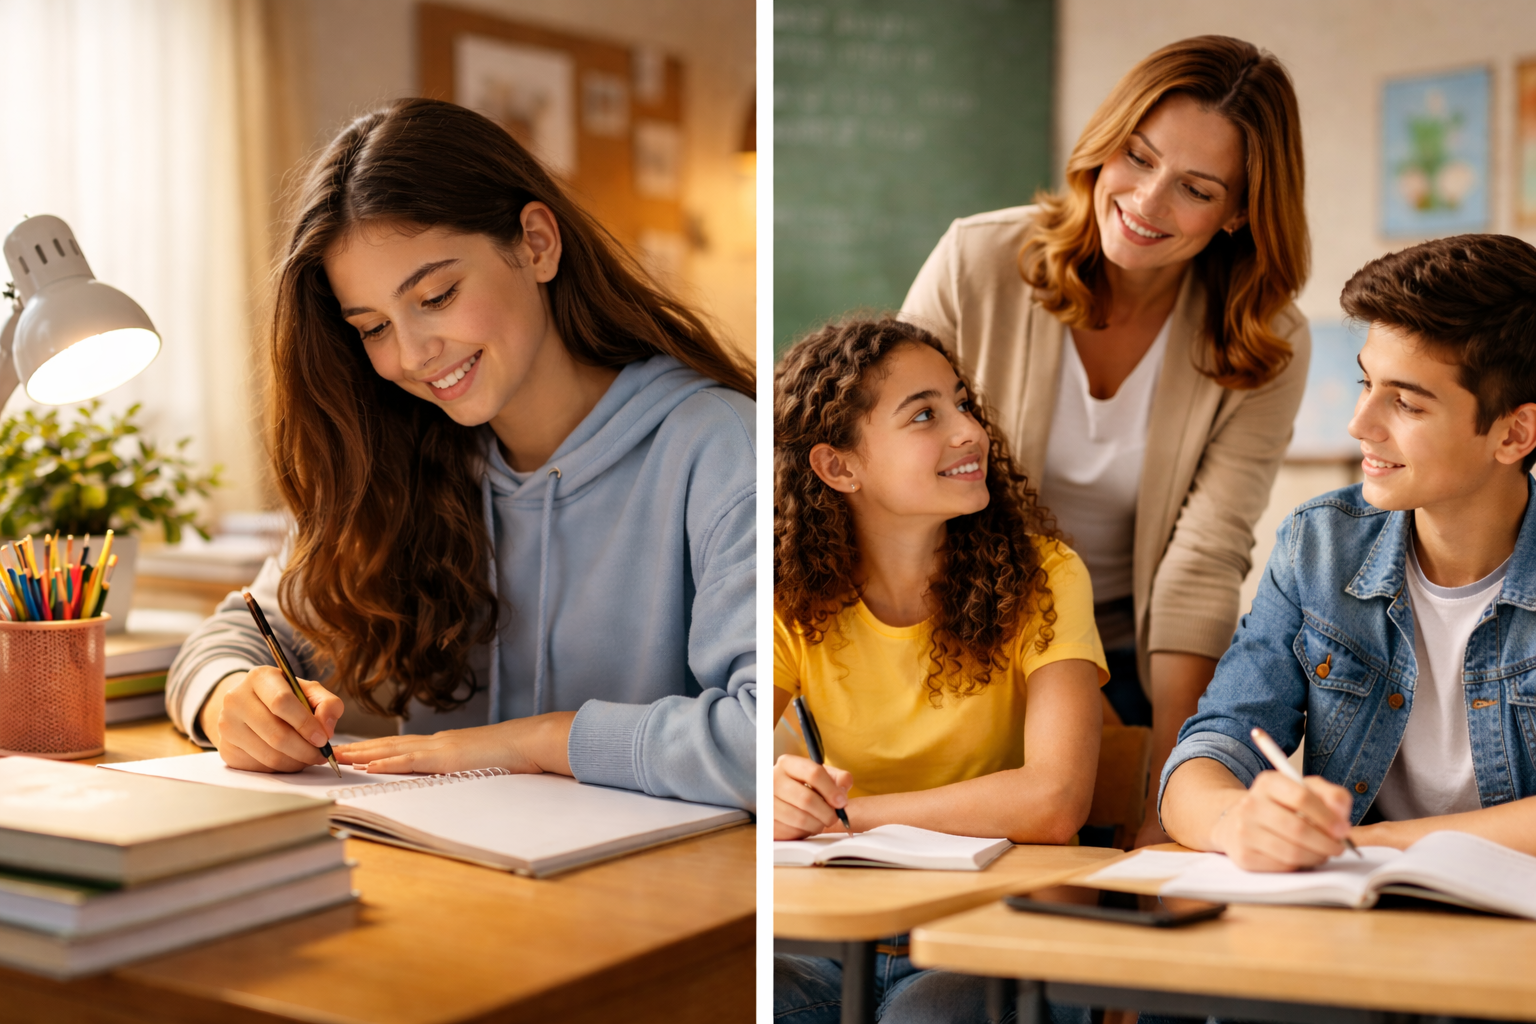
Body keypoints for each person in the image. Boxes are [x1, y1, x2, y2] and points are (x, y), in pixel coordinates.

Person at [164, 98, 756, 810]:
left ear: (537, 243)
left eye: (437, 296)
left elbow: (766, 740)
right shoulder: (397, 457)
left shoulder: (719, 448)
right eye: (374, 326)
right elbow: (234, 636)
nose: (412, 355)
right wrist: (229, 699)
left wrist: (533, 743)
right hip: (455, 886)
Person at [901, 35, 1310, 845]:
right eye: (1138, 156)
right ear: (1104, 142)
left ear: (1238, 213)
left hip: (1131, 656)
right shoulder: (977, 259)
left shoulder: (1266, 343)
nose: (1148, 202)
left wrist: (1173, 793)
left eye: (1195, 188)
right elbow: (889, 459)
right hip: (952, 623)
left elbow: (1205, 556)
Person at [1159, 234, 1536, 869]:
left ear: (1514, 433)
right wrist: (1238, 820)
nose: (1361, 423)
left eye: (1407, 402)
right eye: (1366, 383)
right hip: (1354, 918)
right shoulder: (1319, 546)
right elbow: (1212, 749)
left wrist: (1371, 843)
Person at [773, 317, 1105, 1024]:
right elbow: (720, 758)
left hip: (1002, 921)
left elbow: (1053, 801)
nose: (970, 432)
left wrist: (845, 818)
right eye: (926, 414)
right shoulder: (786, 595)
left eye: (962, 403)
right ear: (839, 467)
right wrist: (771, 791)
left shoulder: (1047, 576)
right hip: (841, 926)